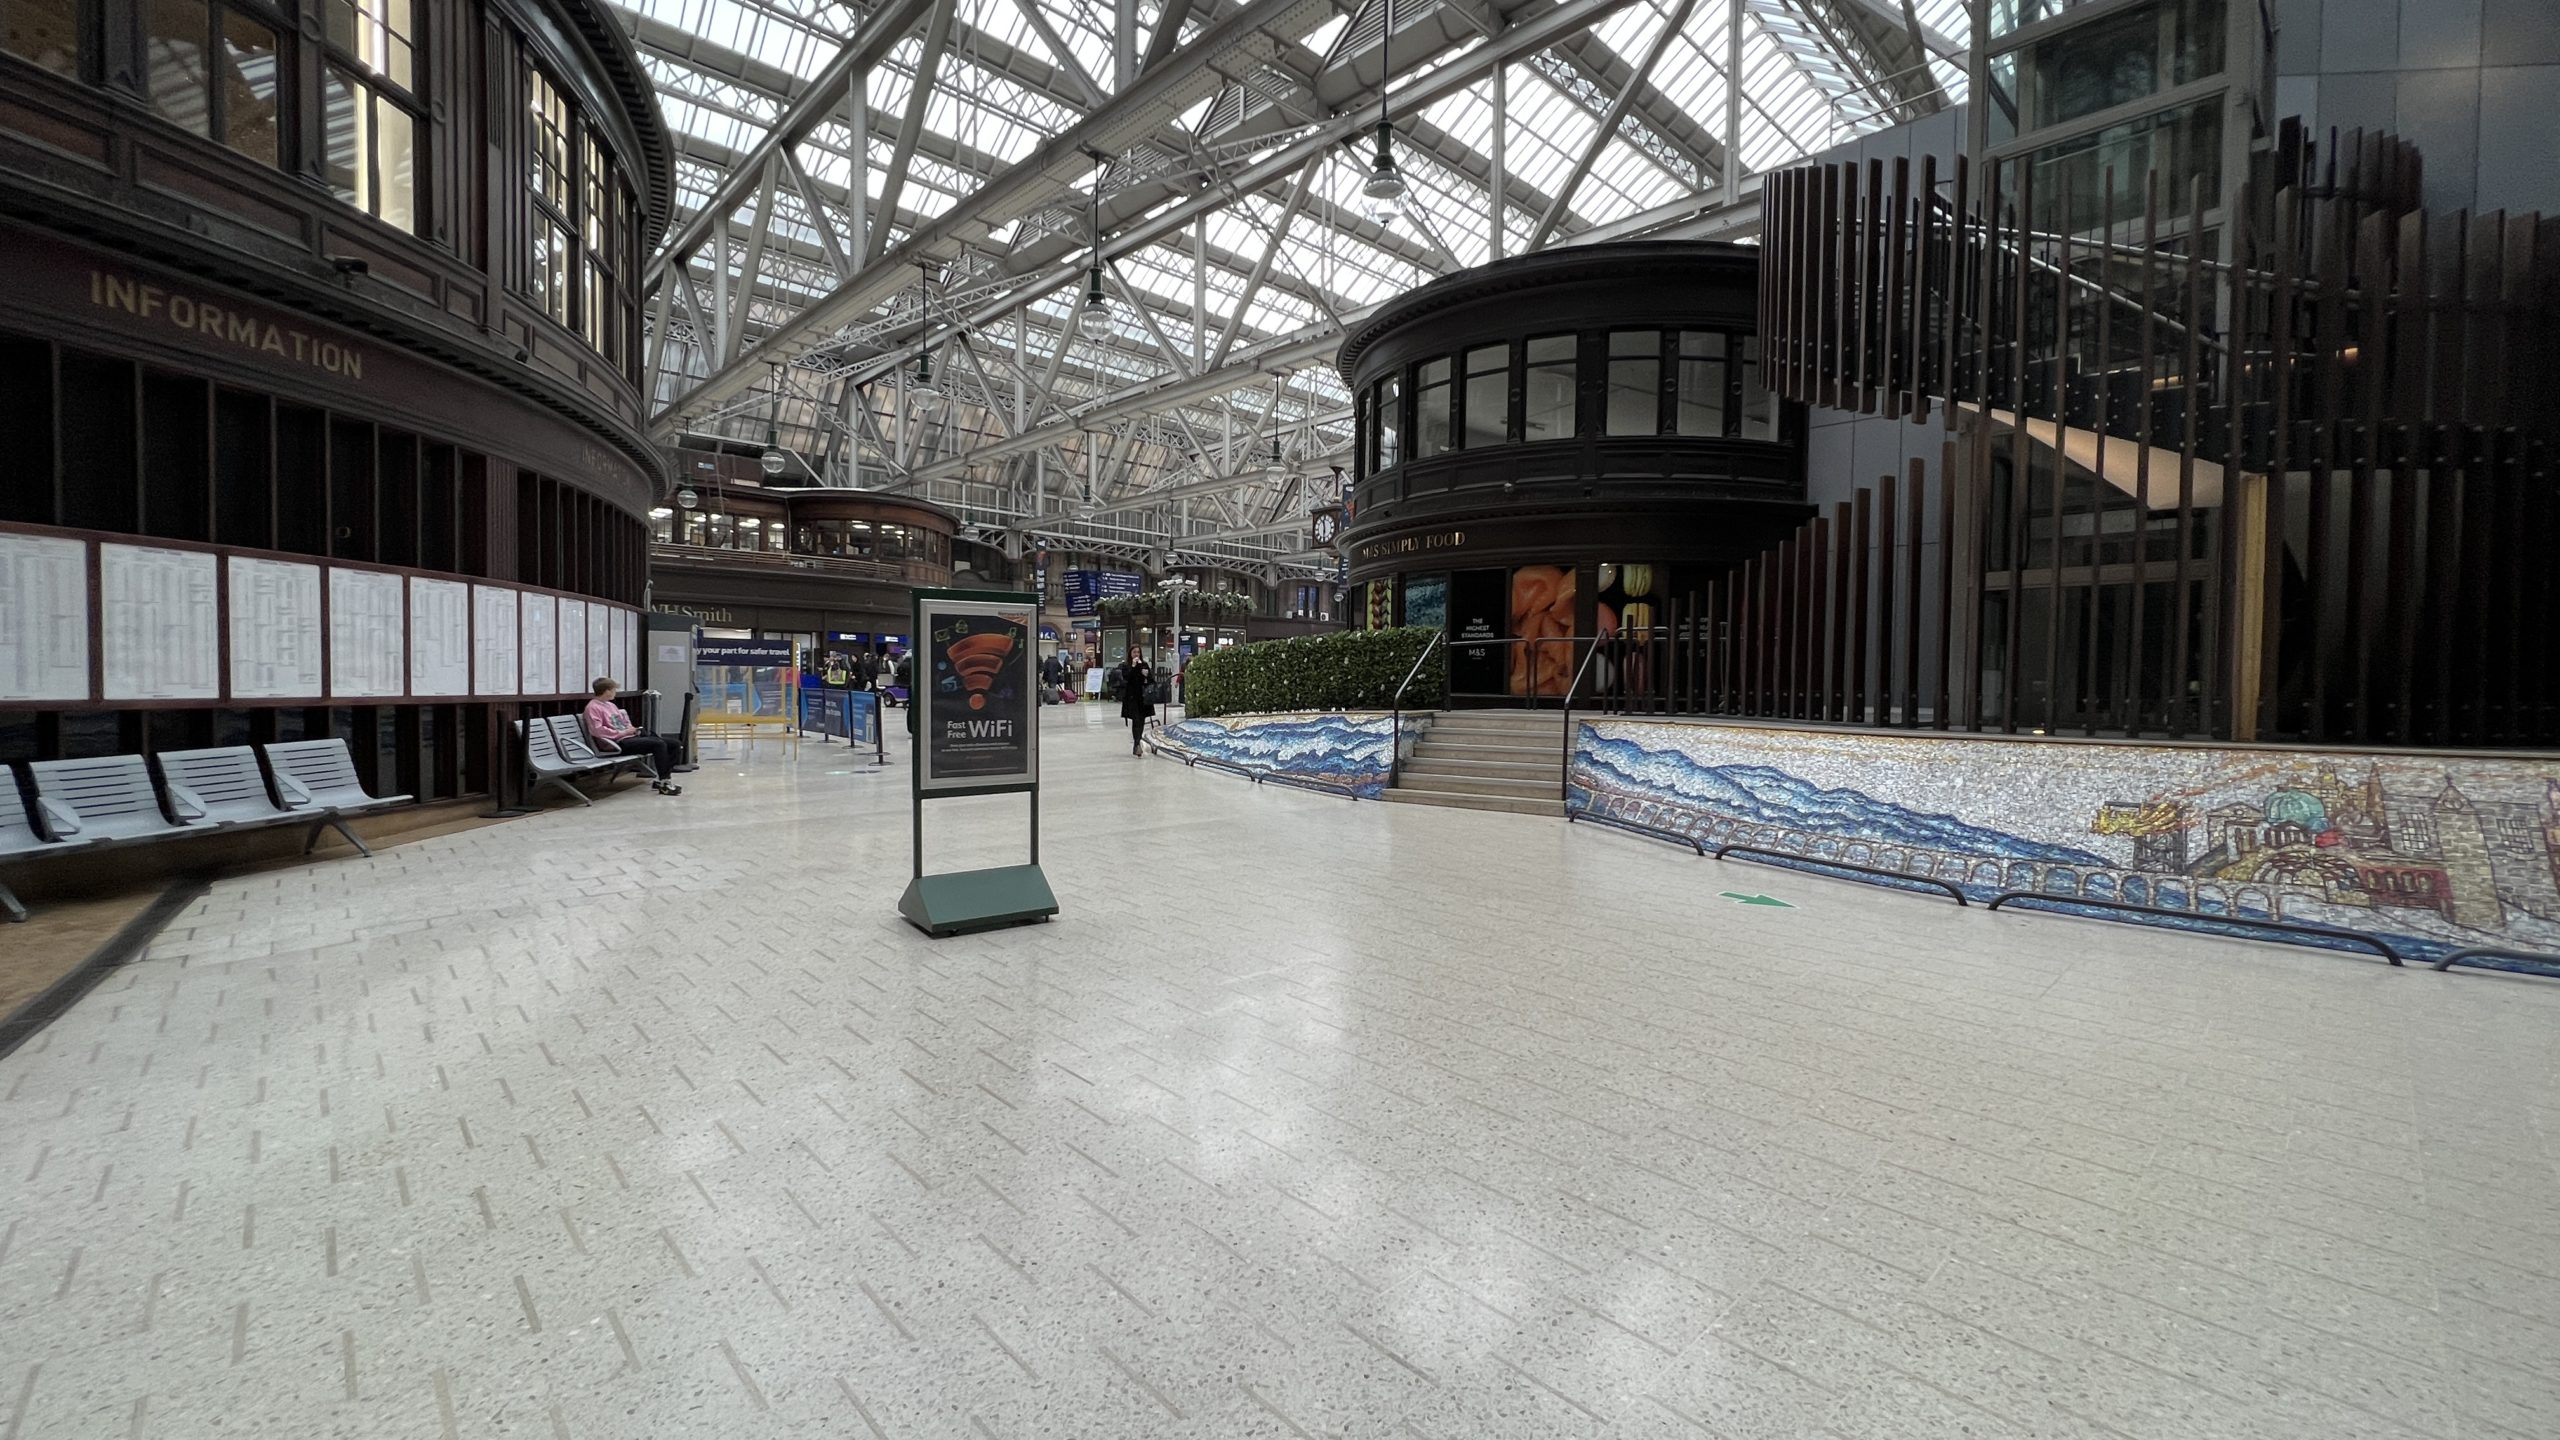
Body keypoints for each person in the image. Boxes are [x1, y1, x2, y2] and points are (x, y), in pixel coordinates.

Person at [584, 678, 682, 795]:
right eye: (614, 689)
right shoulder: (593, 707)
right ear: (607, 691)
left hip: (628, 738)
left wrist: (633, 730)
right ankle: (664, 782)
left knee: (674, 744)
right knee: (658, 744)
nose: (616, 692)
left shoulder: (610, 705)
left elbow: (623, 723)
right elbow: (597, 730)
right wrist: (624, 733)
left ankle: (662, 779)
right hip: (616, 743)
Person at [1114, 650, 1154, 755]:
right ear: (1130, 654)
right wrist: (1133, 666)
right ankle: (1137, 744)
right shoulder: (1126, 665)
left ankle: (1137, 743)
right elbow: (1126, 678)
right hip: (1132, 697)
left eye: (1138, 652)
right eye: (1134, 652)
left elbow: (1151, 679)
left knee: (1141, 720)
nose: (1136, 654)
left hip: (1143, 697)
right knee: (1135, 720)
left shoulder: (1144, 664)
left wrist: (1146, 675)